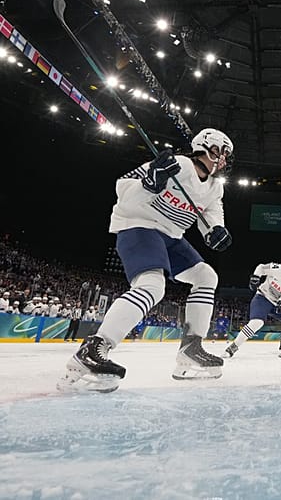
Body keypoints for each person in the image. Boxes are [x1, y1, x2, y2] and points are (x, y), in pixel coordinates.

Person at [58, 128, 235, 393]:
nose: (223, 160)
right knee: (152, 286)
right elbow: (122, 188)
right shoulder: (177, 165)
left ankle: (191, 348)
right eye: (221, 153)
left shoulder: (214, 187)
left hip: (171, 235)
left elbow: (211, 216)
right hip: (139, 225)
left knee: (206, 276)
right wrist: (149, 182)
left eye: (226, 156)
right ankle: (94, 348)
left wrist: (216, 231)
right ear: (206, 148)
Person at [223, 255, 281, 359]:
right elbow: (261, 267)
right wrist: (256, 277)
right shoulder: (277, 269)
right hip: (262, 298)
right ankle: (233, 347)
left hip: (276, 304)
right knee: (257, 322)